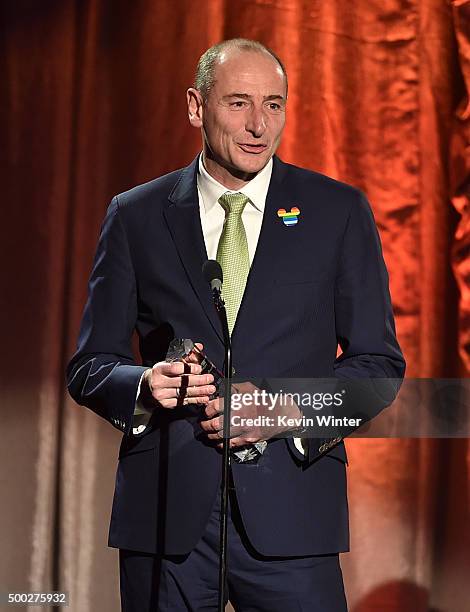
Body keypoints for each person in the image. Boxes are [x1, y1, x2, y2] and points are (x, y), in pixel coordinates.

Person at [67, 38, 405, 611]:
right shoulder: (135, 216)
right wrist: (146, 387)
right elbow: (90, 366)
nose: (258, 126)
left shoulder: (337, 212)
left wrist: (281, 411)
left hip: (293, 518)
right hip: (168, 521)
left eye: (274, 105)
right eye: (239, 103)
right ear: (197, 107)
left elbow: (379, 369)